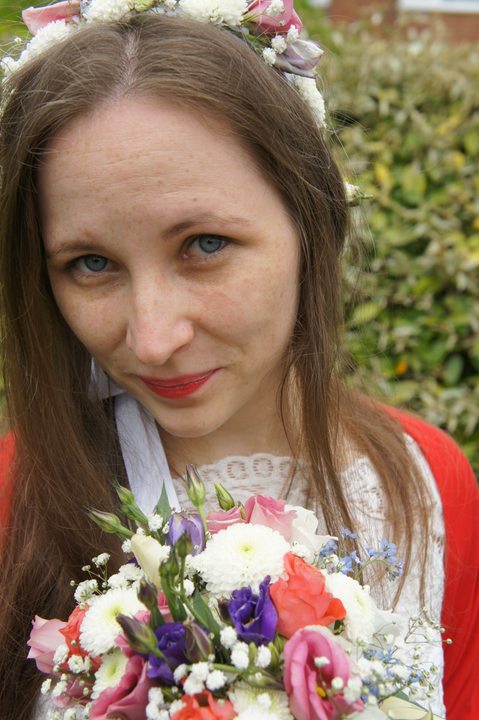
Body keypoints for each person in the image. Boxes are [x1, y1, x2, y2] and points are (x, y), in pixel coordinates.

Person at [0, 5, 477, 720]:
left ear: (310, 220)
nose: (153, 339)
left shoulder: (425, 485)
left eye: (205, 245)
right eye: (91, 263)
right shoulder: (17, 497)